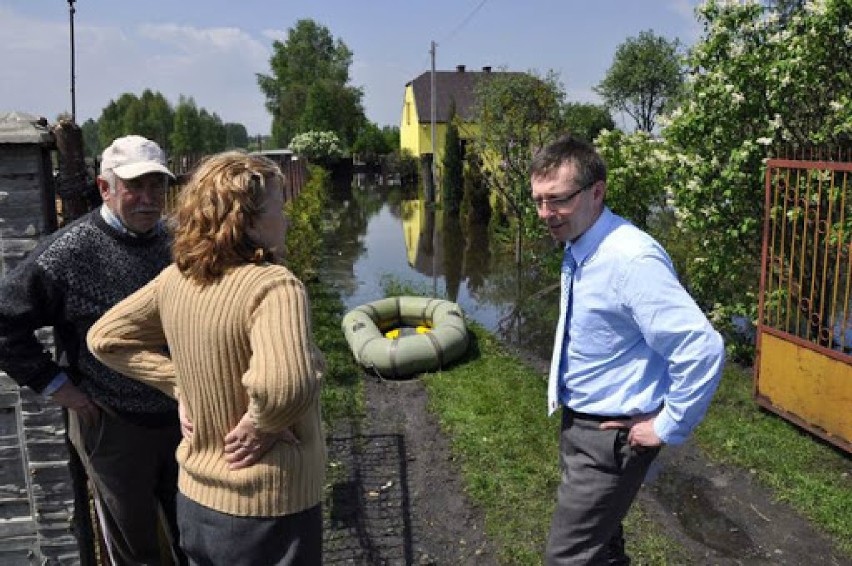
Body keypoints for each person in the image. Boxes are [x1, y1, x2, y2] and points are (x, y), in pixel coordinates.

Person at [87, 151, 326, 566]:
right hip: (268, 505)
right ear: (246, 219)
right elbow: (286, 386)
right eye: (278, 207)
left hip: (196, 502)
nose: (286, 218)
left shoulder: (175, 279)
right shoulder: (273, 286)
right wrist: (264, 421)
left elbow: (105, 337)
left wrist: (178, 383)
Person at [531, 134, 725, 565]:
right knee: (602, 549)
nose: (546, 214)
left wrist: (668, 423)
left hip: (610, 439)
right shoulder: (582, 242)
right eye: (539, 201)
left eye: (557, 200)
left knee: (567, 559)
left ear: (596, 191)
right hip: (582, 425)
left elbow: (702, 347)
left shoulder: (630, 259)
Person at [0, 135, 186, 565]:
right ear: (105, 188)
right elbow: (5, 322)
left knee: (195, 535)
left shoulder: (180, 243)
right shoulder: (68, 252)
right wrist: (57, 386)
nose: (148, 199)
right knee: (134, 545)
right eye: (134, 187)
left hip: (184, 418)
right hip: (113, 426)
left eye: (157, 186)